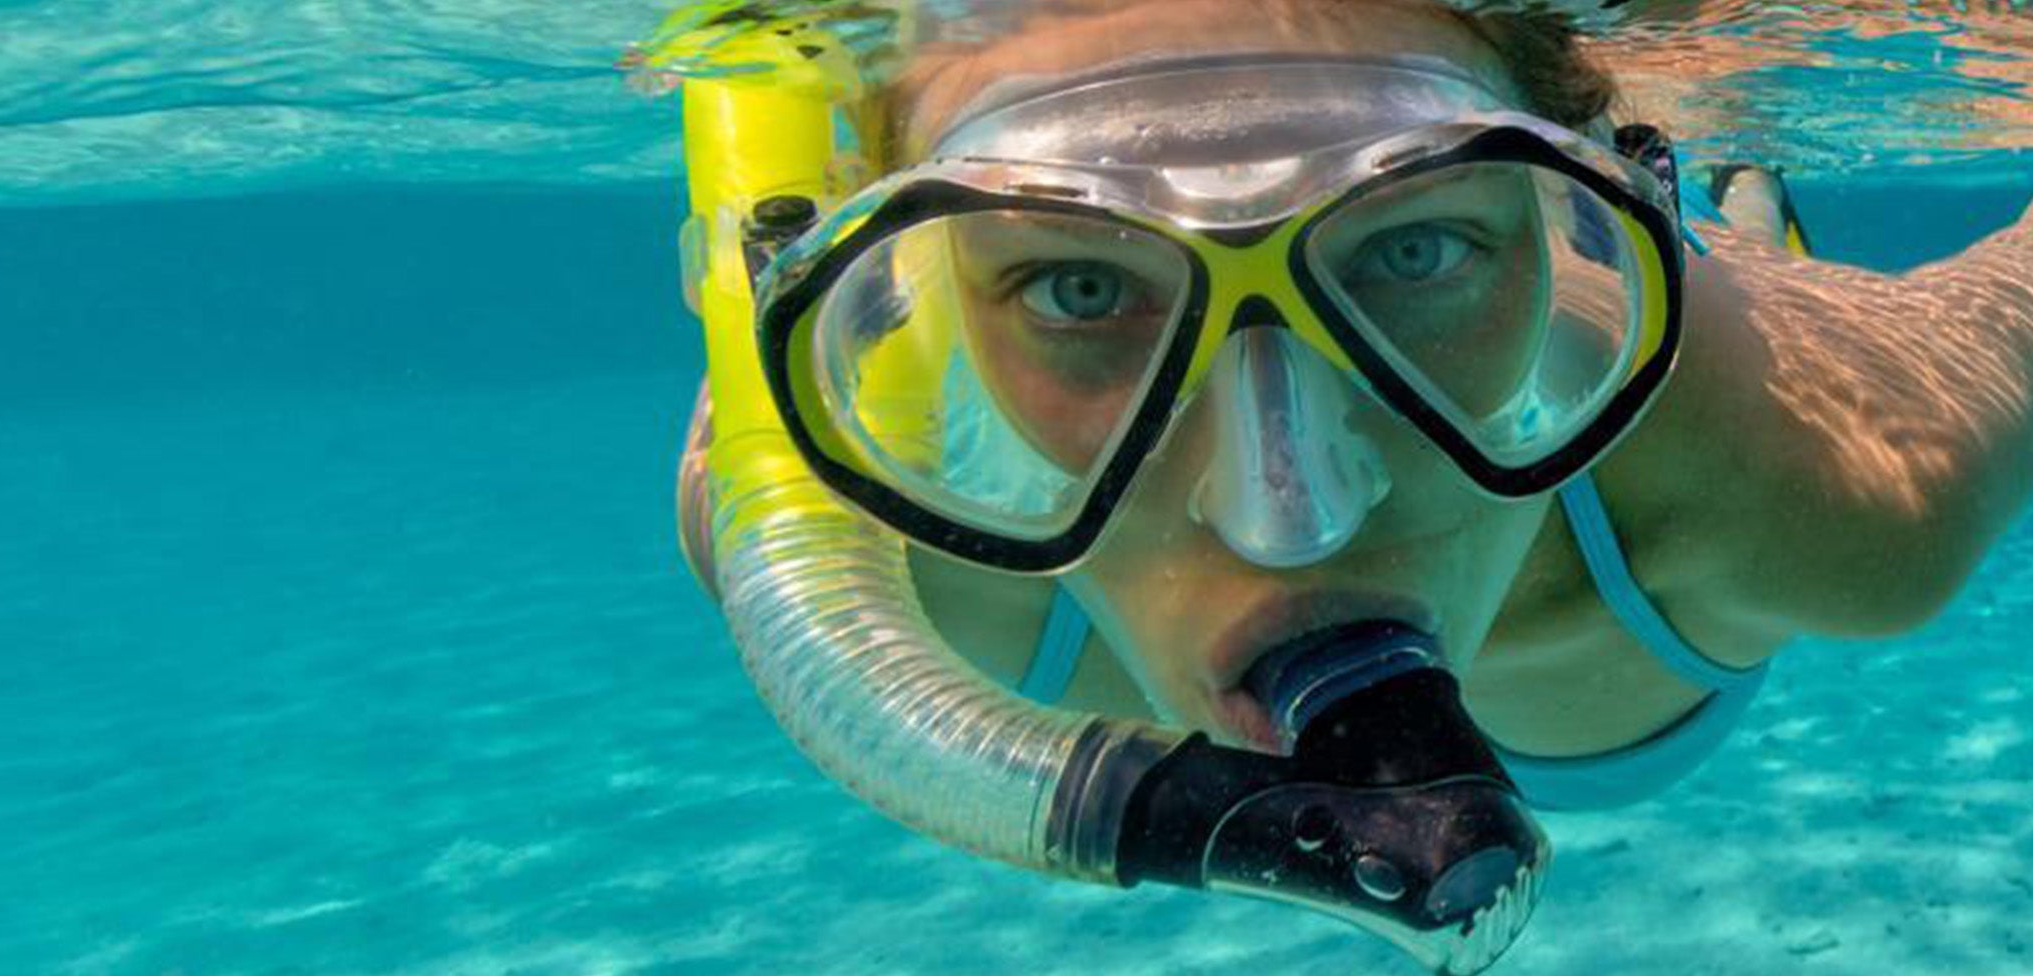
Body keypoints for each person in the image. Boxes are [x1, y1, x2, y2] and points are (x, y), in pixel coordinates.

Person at [652, 0, 2033, 968]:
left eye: (1416, 250)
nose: (1293, 509)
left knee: (1747, 264)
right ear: (926, 288)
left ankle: (1735, 216)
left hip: (1696, 366)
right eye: (1080, 285)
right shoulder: (867, 552)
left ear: (1567, 227)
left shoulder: (1832, 482)